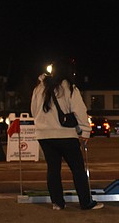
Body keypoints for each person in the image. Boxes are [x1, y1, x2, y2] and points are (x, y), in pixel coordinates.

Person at [30, 58, 103, 211]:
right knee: (77, 169)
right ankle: (85, 202)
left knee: (53, 169)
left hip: (45, 136)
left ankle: (57, 202)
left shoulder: (39, 88)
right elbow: (80, 111)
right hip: (66, 134)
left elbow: (34, 110)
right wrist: (85, 131)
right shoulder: (69, 88)